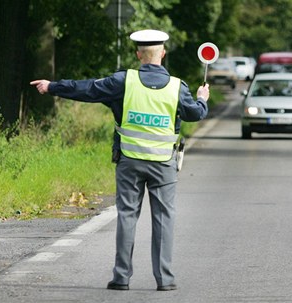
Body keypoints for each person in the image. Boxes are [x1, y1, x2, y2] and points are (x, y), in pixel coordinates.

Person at [30, 29, 209, 291]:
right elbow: (194, 114)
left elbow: (88, 89)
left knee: (127, 216)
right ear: (163, 54)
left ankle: (121, 277)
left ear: (138, 54)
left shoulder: (124, 81)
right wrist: (202, 99)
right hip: (163, 165)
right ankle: (165, 280)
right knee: (164, 219)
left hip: (129, 162)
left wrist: (52, 86)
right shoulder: (177, 87)